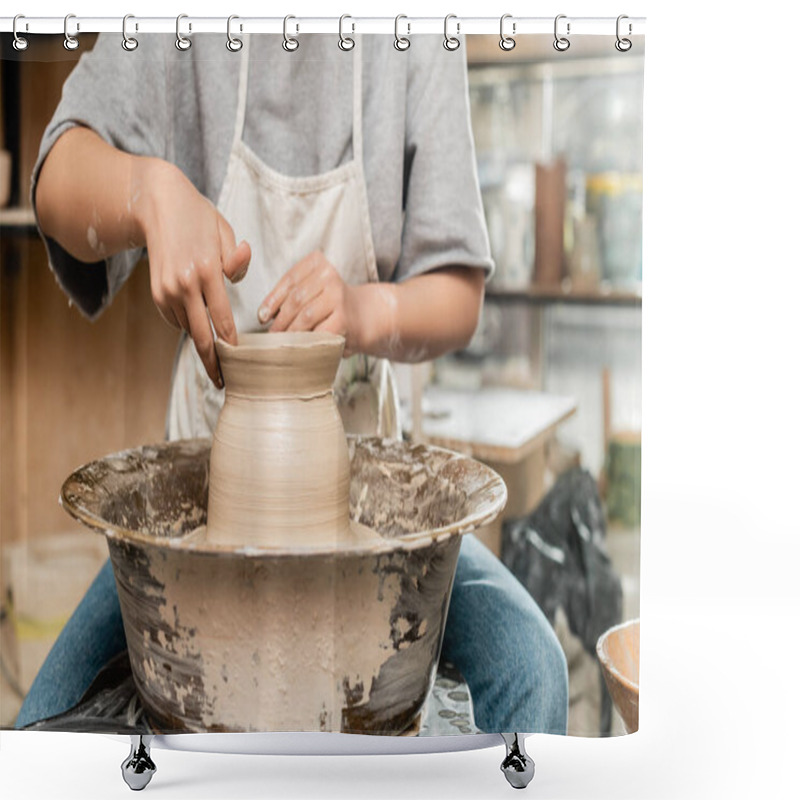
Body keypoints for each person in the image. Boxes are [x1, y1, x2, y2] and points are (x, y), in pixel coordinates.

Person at [14, 32, 567, 734]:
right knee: (42, 727)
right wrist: (147, 191)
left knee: (530, 665)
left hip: (369, 507)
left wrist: (365, 310)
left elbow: (458, 293)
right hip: (207, 508)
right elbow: (58, 180)